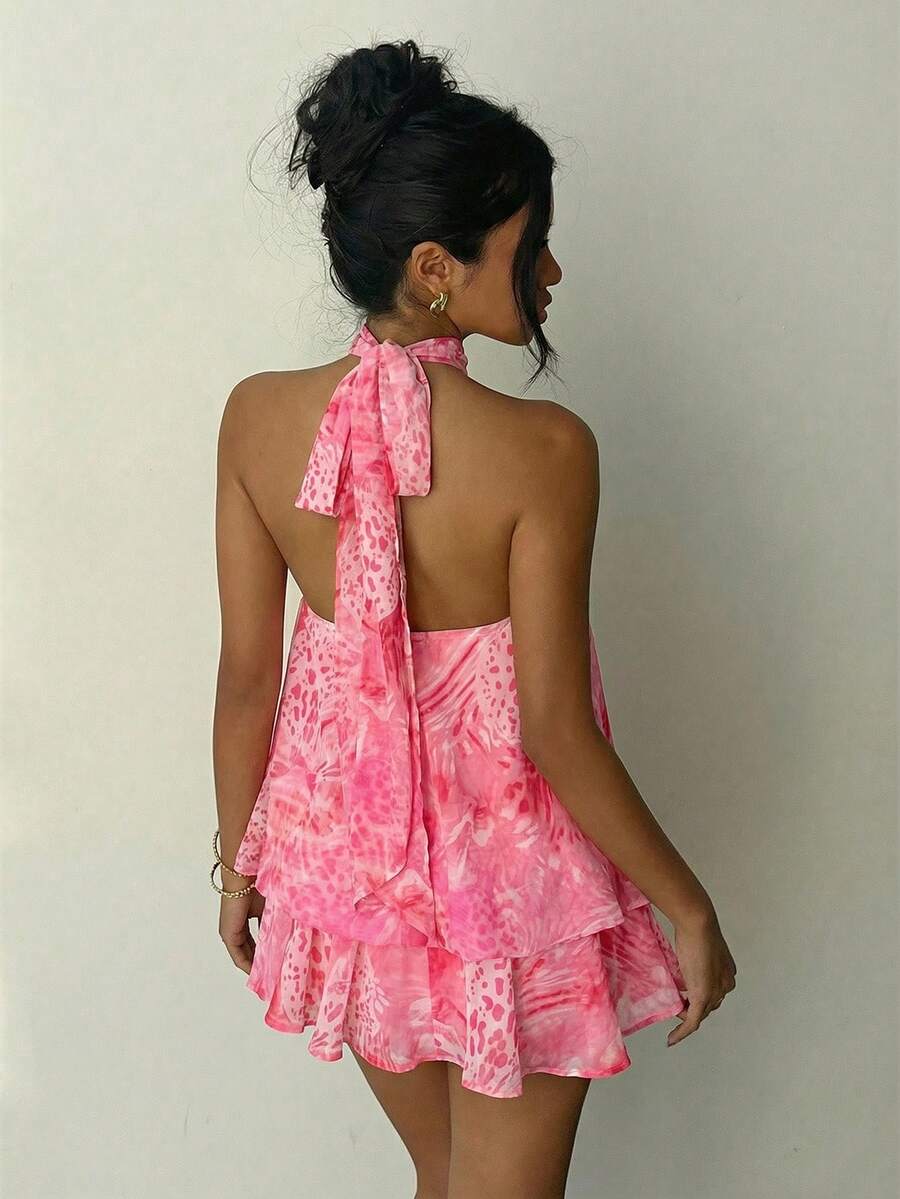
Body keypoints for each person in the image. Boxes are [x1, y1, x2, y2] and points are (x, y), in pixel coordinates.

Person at [212, 37, 736, 1199]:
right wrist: (688, 905)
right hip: (514, 904)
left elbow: (249, 678)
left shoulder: (254, 421)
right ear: (437, 267)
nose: (552, 271)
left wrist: (237, 866)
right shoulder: (545, 451)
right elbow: (553, 724)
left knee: (446, 1177)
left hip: (348, 891)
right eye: (530, 242)